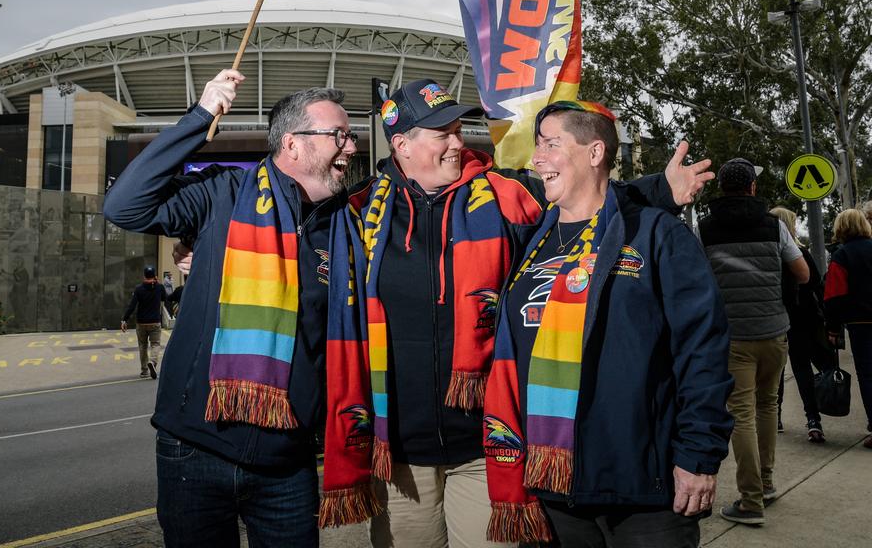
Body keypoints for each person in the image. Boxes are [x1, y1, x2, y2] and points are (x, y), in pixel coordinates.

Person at [320, 83, 714, 548]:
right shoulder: (357, 213)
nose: (458, 142)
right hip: (402, 453)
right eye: (441, 133)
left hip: (488, 447)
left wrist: (660, 190)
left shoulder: (508, 196)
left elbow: (587, 197)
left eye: (458, 129)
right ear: (402, 144)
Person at [103, 68, 358, 548]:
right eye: (338, 135)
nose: (350, 147)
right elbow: (125, 206)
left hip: (288, 462)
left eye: (350, 136)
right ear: (293, 144)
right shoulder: (224, 194)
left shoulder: (349, 226)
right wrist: (198, 118)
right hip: (194, 450)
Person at [482, 101, 733, 547]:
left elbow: (703, 353)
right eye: (538, 146)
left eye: (551, 144)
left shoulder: (656, 235)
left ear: (595, 153)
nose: (537, 158)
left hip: (642, 490)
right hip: (550, 486)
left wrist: (699, 455)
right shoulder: (530, 238)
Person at [698, 158, 809, 526]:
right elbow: (804, 273)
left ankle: (750, 500)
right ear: (753, 188)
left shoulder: (706, 229)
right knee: (767, 406)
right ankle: (766, 483)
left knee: (741, 412)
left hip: (732, 337)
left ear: (722, 188)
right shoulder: (774, 226)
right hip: (774, 331)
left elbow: (696, 279)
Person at [770, 207, 835, 443]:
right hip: (804, 320)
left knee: (776, 371)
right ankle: (813, 419)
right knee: (804, 368)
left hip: (778, 318)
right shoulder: (801, 254)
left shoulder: (770, 257)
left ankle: (774, 416)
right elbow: (816, 284)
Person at [824, 208, 872, 450]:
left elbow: (834, 295)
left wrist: (832, 329)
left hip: (861, 323)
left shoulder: (842, 256)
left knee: (869, 375)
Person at [121, 266, 165, 379]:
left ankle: (144, 370)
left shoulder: (139, 289)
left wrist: (124, 319)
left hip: (141, 323)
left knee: (143, 346)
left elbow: (132, 306)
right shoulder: (159, 287)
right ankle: (153, 362)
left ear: (144, 276)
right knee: (155, 344)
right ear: (155, 276)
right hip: (155, 322)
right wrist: (158, 285)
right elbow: (165, 298)